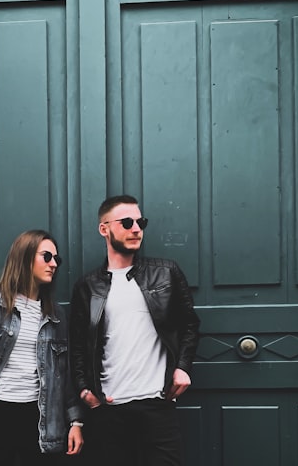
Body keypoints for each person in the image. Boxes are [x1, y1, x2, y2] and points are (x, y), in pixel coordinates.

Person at [69, 195, 200, 466]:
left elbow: (189, 324)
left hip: (158, 404)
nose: (136, 228)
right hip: (109, 409)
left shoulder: (166, 273)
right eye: (127, 222)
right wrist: (84, 390)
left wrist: (183, 367)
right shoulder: (88, 286)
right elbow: (78, 345)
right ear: (104, 229)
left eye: (140, 222)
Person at [0, 229, 84, 464]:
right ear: (25, 257)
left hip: (40, 416)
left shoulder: (55, 314)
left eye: (56, 259)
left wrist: (75, 421)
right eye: (46, 257)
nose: (54, 264)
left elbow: (63, 374)